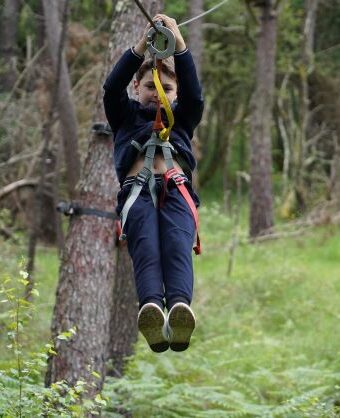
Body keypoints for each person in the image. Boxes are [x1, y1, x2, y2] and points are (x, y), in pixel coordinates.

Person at [103, 14, 204, 353]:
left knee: (176, 246)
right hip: (137, 193)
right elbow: (110, 88)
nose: (157, 94)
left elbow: (195, 94)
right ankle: (151, 311)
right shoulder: (125, 116)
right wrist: (140, 48)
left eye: (166, 89)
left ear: (175, 94)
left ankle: (178, 310)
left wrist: (179, 44)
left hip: (176, 190)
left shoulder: (183, 119)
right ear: (137, 88)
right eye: (150, 87)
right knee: (146, 248)